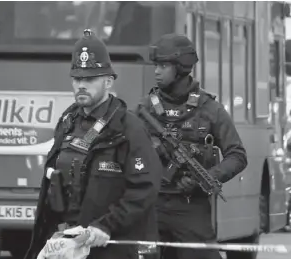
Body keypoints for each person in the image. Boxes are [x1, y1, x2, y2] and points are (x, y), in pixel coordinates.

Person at [24, 29, 162, 259]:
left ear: (108, 82)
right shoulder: (68, 121)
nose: (81, 85)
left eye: (89, 79)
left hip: (114, 249)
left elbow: (144, 189)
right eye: (77, 79)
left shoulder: (129, 128)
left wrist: (105, 226)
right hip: (70, 246)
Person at [135, 34, 248, 259]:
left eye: (163, 65)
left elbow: (237, 155)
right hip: (151, 205)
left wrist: (205, 177)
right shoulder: (145, 109)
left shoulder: (210, 109)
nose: (156, 71)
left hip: (191, 207)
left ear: (181, 68)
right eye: (156, 65)